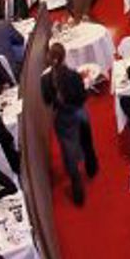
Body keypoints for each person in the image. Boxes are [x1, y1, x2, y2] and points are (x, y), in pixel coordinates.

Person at [40, 42, 97, 205]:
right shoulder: (73, 75)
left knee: (68, 150)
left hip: (62, 117)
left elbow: (47, 101)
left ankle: (77, 186)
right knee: (87, 141)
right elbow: (82, 97)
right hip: (78, 113)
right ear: (64, 56)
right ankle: (91, 167)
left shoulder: (45, 80)